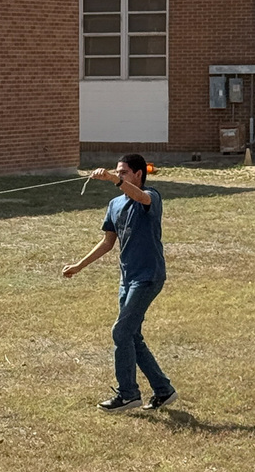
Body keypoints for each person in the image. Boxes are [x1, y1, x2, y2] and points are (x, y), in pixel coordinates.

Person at [62, 153, 177, 413]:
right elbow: (107, 243)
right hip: (127, 278)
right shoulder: (114, 205)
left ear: (138, 173)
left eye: (124, 171)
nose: (120, 175)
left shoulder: (152, 197)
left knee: (121, 332)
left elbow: (140, 197)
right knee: (132, 336)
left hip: (148, 277)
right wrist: (79, 266)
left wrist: (114, 179)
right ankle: (163, 390)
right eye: (118, 171)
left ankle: (128, 394)